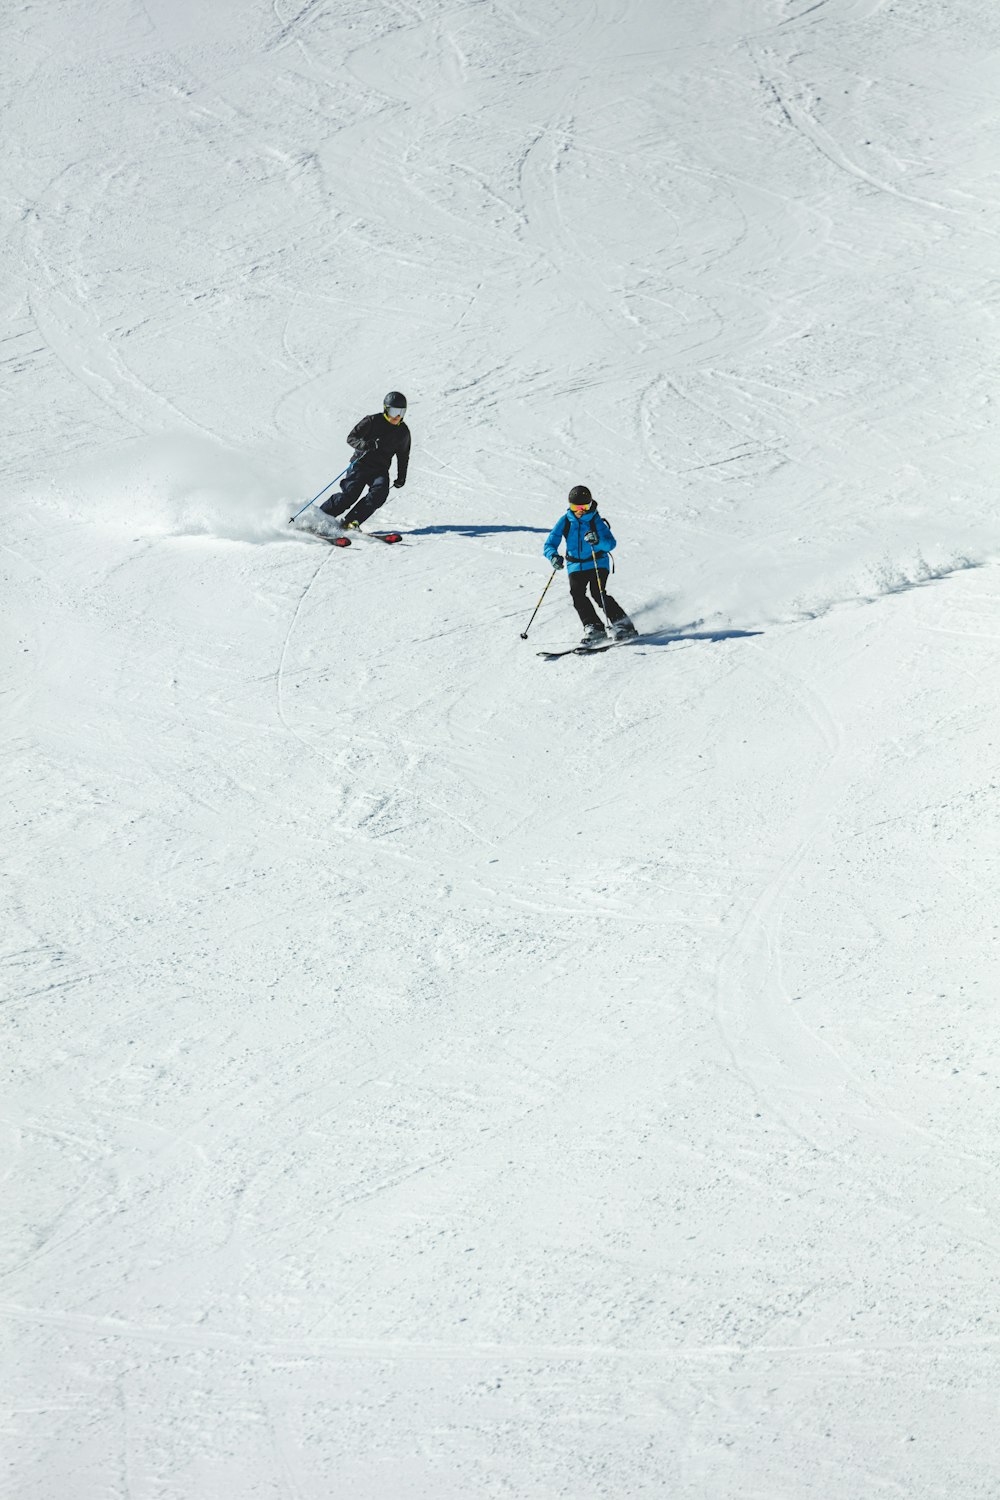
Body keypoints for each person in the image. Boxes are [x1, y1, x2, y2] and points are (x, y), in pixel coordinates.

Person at [543, 485, 637, 645]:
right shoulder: (566, 520)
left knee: (598, 593)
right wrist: (553, 556)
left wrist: (598, 541)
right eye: (575, 507)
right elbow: (550, 543)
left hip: (597, 562)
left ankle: (623, 625)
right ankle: (594, 627)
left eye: (584, 507)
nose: (579, 510)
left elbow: (610, 544)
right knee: (577, 595)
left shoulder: (595, 520)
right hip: (575, 565)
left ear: (590, 504)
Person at [317, 391, 410, 528]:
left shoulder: (403, 432)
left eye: (400, 413)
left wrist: (401, 477)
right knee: (349, 495)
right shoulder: (372, 421)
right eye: (394, 411)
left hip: (380, 469)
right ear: (386, 409)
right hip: (360, 464)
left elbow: (403, 455)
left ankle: (351, 522)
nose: (396, 416)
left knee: (379, 494)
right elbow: (351, 438)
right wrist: (365, 445)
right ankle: (320, 517)